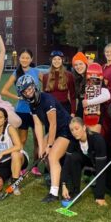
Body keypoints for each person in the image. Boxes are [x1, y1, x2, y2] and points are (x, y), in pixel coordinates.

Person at [15, 75, 73, 203]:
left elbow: (53, 124)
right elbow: (38, 125)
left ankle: (53, 192)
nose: (28, 92)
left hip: (65, 129)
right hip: (55, 130)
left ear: (34, 86)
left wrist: (49, 145)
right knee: (44, 155)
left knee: (52, 156)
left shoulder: (47, 100)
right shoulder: (32, 104)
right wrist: (41, 147)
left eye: (29, 88)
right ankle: (58, 179)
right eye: (25, 91)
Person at [0, 49, 40, 172]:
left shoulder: (36, 72)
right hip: (22, 111)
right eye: (22, 57)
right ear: (19, 59)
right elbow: (4, 90)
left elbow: (48, 83)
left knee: (37, 140)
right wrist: (18, 97)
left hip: (36, 110)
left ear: (31, 59)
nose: (24, 60)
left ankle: (35, 166)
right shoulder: (15, 73)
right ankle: (21, 164)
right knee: (21, 140)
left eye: (27, 57)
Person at [60, 117, 109, 205]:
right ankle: (76, 191)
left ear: (84, 127)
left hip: (104, 164)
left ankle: (101, 192)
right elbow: (66, 164)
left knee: (110, 183)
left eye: (77, 128)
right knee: (74, 157)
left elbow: (101, 169)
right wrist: (63, 185)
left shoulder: (97, 140)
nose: (74, 132)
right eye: (72, 130)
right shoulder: (73, 141)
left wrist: (100, 196)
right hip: (89, 162)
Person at [0, 107, 25, 194]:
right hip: (3, 162)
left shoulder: (9, 128)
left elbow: (18, 146)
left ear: (5, 119)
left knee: (15, 154)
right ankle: (13, 174)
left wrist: (2, 153)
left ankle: (15, 184)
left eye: (0, 117)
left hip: (18, 157)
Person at [70, 52, 89, 119]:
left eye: (81, 64)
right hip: (80, 112)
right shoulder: (77, 79)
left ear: (86, 64)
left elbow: (106, 95)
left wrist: (90, 102)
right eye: (76, 65)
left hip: (92, 112)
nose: (78, 67)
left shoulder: (92, 76)